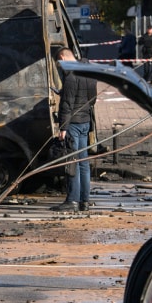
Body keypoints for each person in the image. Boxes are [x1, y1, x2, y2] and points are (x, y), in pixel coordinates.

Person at [51, 48, 97, 213]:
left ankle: (72, 201)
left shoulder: (71, 76)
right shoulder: (89, 72)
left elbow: (67, 104)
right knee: (84, 163)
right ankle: (85, 200)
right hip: (85, 122)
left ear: (63, 57)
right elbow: (93, 99)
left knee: (72, 163)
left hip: (73, 124)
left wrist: (63, 127)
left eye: (59, 63)